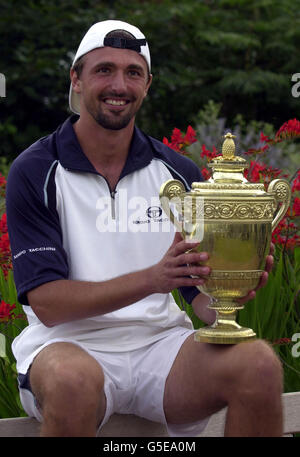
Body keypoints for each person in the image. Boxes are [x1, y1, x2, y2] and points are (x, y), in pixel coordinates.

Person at [6, 20, 283, 437]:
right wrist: (152, 279)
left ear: (147, 85)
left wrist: (230, 287)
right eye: (104, 70)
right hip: (66, 347)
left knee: (258, 364)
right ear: (76, 79)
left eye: (133, 73)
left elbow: (198, 297)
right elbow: (48, 303)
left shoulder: (179, 172)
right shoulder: (35, 170)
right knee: (72, 382)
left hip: (162, 350)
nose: (119, 84)